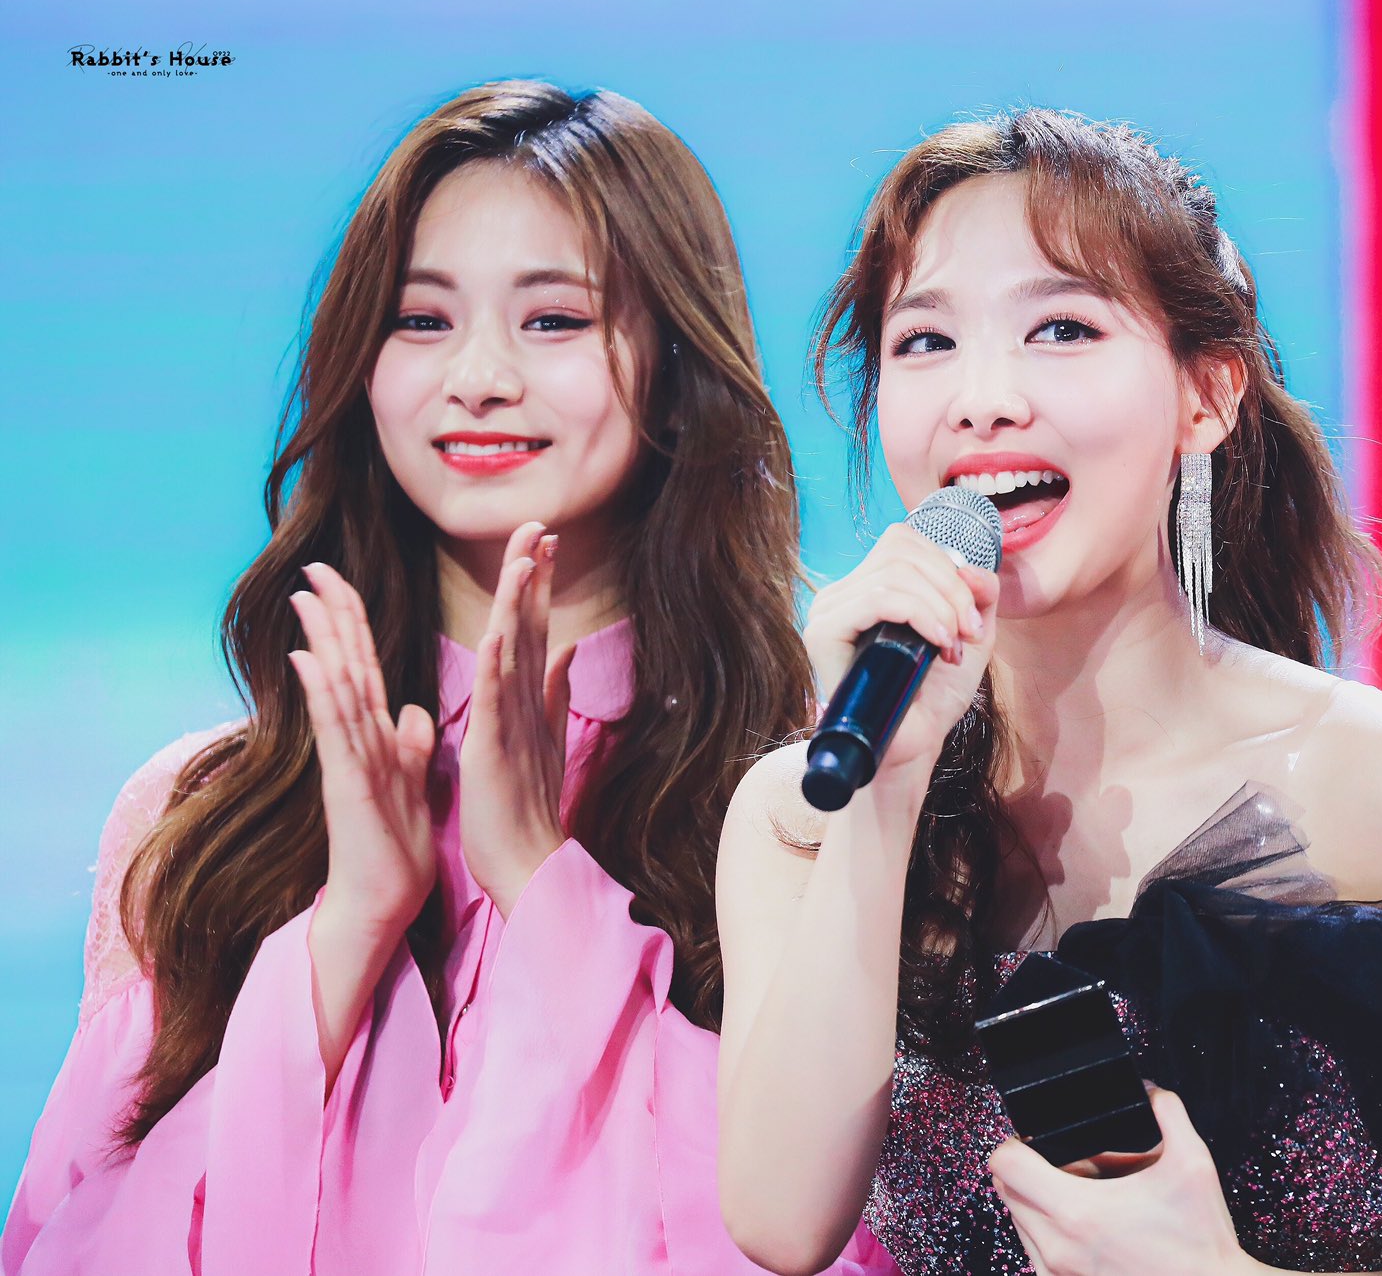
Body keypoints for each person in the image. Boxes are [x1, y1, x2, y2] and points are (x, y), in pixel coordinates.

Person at [3, 80, 890, 1275]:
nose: (475, 376)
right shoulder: (203, 810)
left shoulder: (813, 784)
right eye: (421, 320)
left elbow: (812, 1236)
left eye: (553, 319)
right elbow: (75, 1244)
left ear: (676, 366)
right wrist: (350, 926)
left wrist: (540, 882)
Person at [717, 109, 1382, 1276]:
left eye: (1060, 327)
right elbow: (782, 1222)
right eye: (925, 340)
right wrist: (883, 796)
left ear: (1206, 395)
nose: (981, 398)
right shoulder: (801, 807)